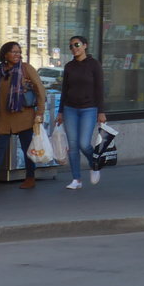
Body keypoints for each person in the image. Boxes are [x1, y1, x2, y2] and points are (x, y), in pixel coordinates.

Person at [0, 41, 46, 190]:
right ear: (5, 54)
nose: (17, 54)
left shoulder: (26, 69)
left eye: (19, 52)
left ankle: (30, 178)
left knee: (27, 149)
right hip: (3, 118)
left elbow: (40, 90)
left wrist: (40, 112)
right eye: (14, 52)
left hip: (23, 116)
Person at [59, 34, 106, 189]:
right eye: (71, 46)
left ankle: (94, 164)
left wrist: (101, 111)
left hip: (89, 109)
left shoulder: (94, 65)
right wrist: (60, 112)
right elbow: (64, 90)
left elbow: (99, 89)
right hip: (70, 108)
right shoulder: (69, 67)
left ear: (85, 45)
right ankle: (76, 179)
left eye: (77, 45)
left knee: (84, 143)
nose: (74, 48)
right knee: (73, 146)